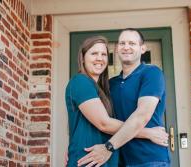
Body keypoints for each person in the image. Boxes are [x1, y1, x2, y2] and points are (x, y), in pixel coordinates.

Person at [65, 36, 169, 167]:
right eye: (94, 53)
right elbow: (104, 123)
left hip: (105, 160)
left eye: (103, 54)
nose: (99, 58)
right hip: (87, 159)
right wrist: (148, 133)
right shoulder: (80, 81)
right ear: (83, 57)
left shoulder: (105, 89)